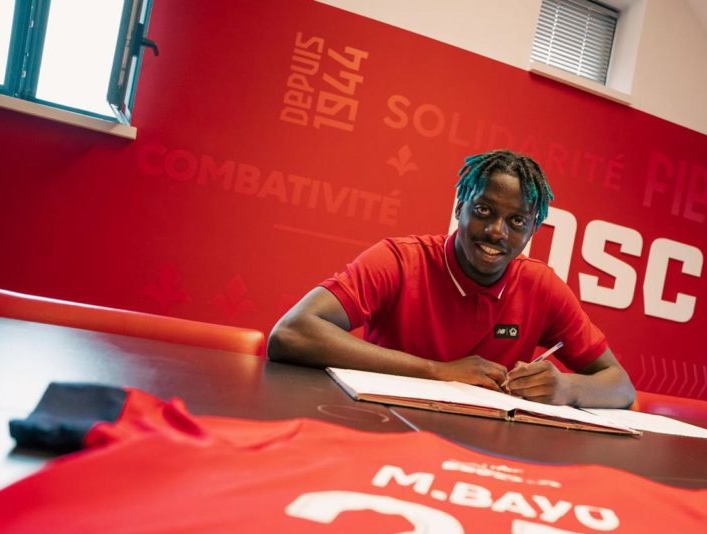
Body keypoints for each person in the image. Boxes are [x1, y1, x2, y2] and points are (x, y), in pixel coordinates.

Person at [268, 149, 635, 408]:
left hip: (480, 454)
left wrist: (568, 387)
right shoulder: (400, 260)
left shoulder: (541, 287)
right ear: (460, 208)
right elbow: (291, 334)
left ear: (531, 231)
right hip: (380, 426)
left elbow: (621, 387)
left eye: (516, 221)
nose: (496, 231)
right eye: (484, 210)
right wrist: (438, 372)